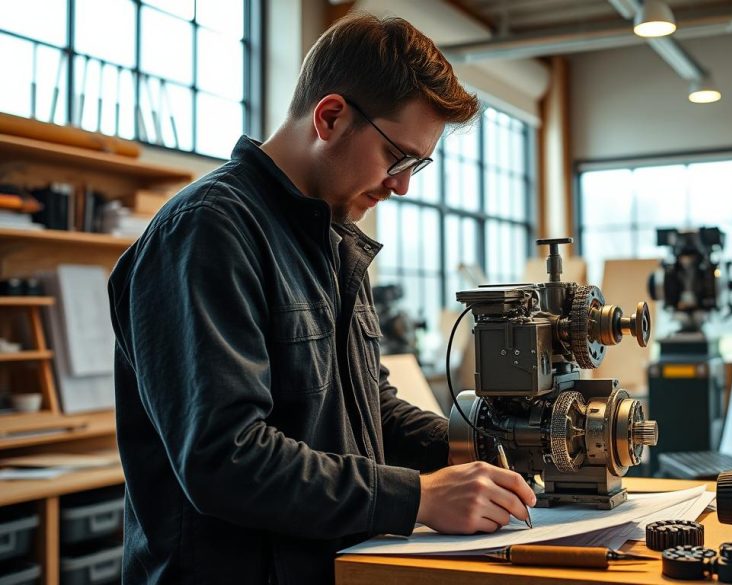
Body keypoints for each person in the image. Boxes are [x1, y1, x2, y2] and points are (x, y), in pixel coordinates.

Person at [108, 12, 535, 584]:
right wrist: (417, 498)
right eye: (396, 157)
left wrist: (490, 445)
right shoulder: (208, 231)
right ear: (330, 117)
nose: (403, 185)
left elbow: (367, 408)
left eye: (417, 165)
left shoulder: (329, 240)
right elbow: (226, 459)